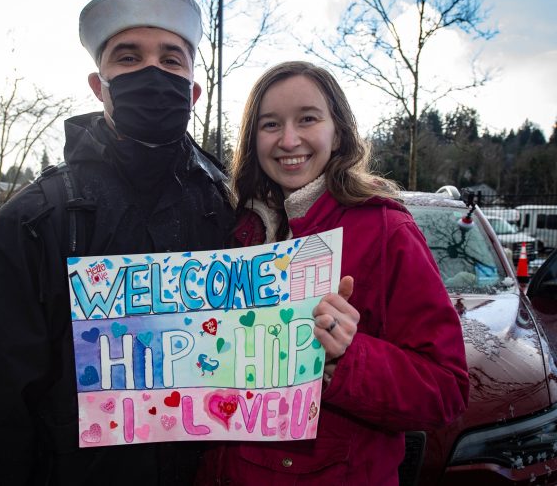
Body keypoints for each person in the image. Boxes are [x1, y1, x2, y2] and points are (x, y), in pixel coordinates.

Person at [0, 0, 234, 485]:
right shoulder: (33, 222)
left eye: (171, 59)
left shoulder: (229, 206)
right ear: (100, 86)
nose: (152, 71)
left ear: (193, 91)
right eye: (129, 57)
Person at [196, 61, 469, 485]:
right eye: (271, 124)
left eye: (307, 118)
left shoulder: (385, 230)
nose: (289, 140)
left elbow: (446, 390)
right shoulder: (238, 231)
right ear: (253, 139)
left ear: (337, 131)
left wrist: (347, 357)